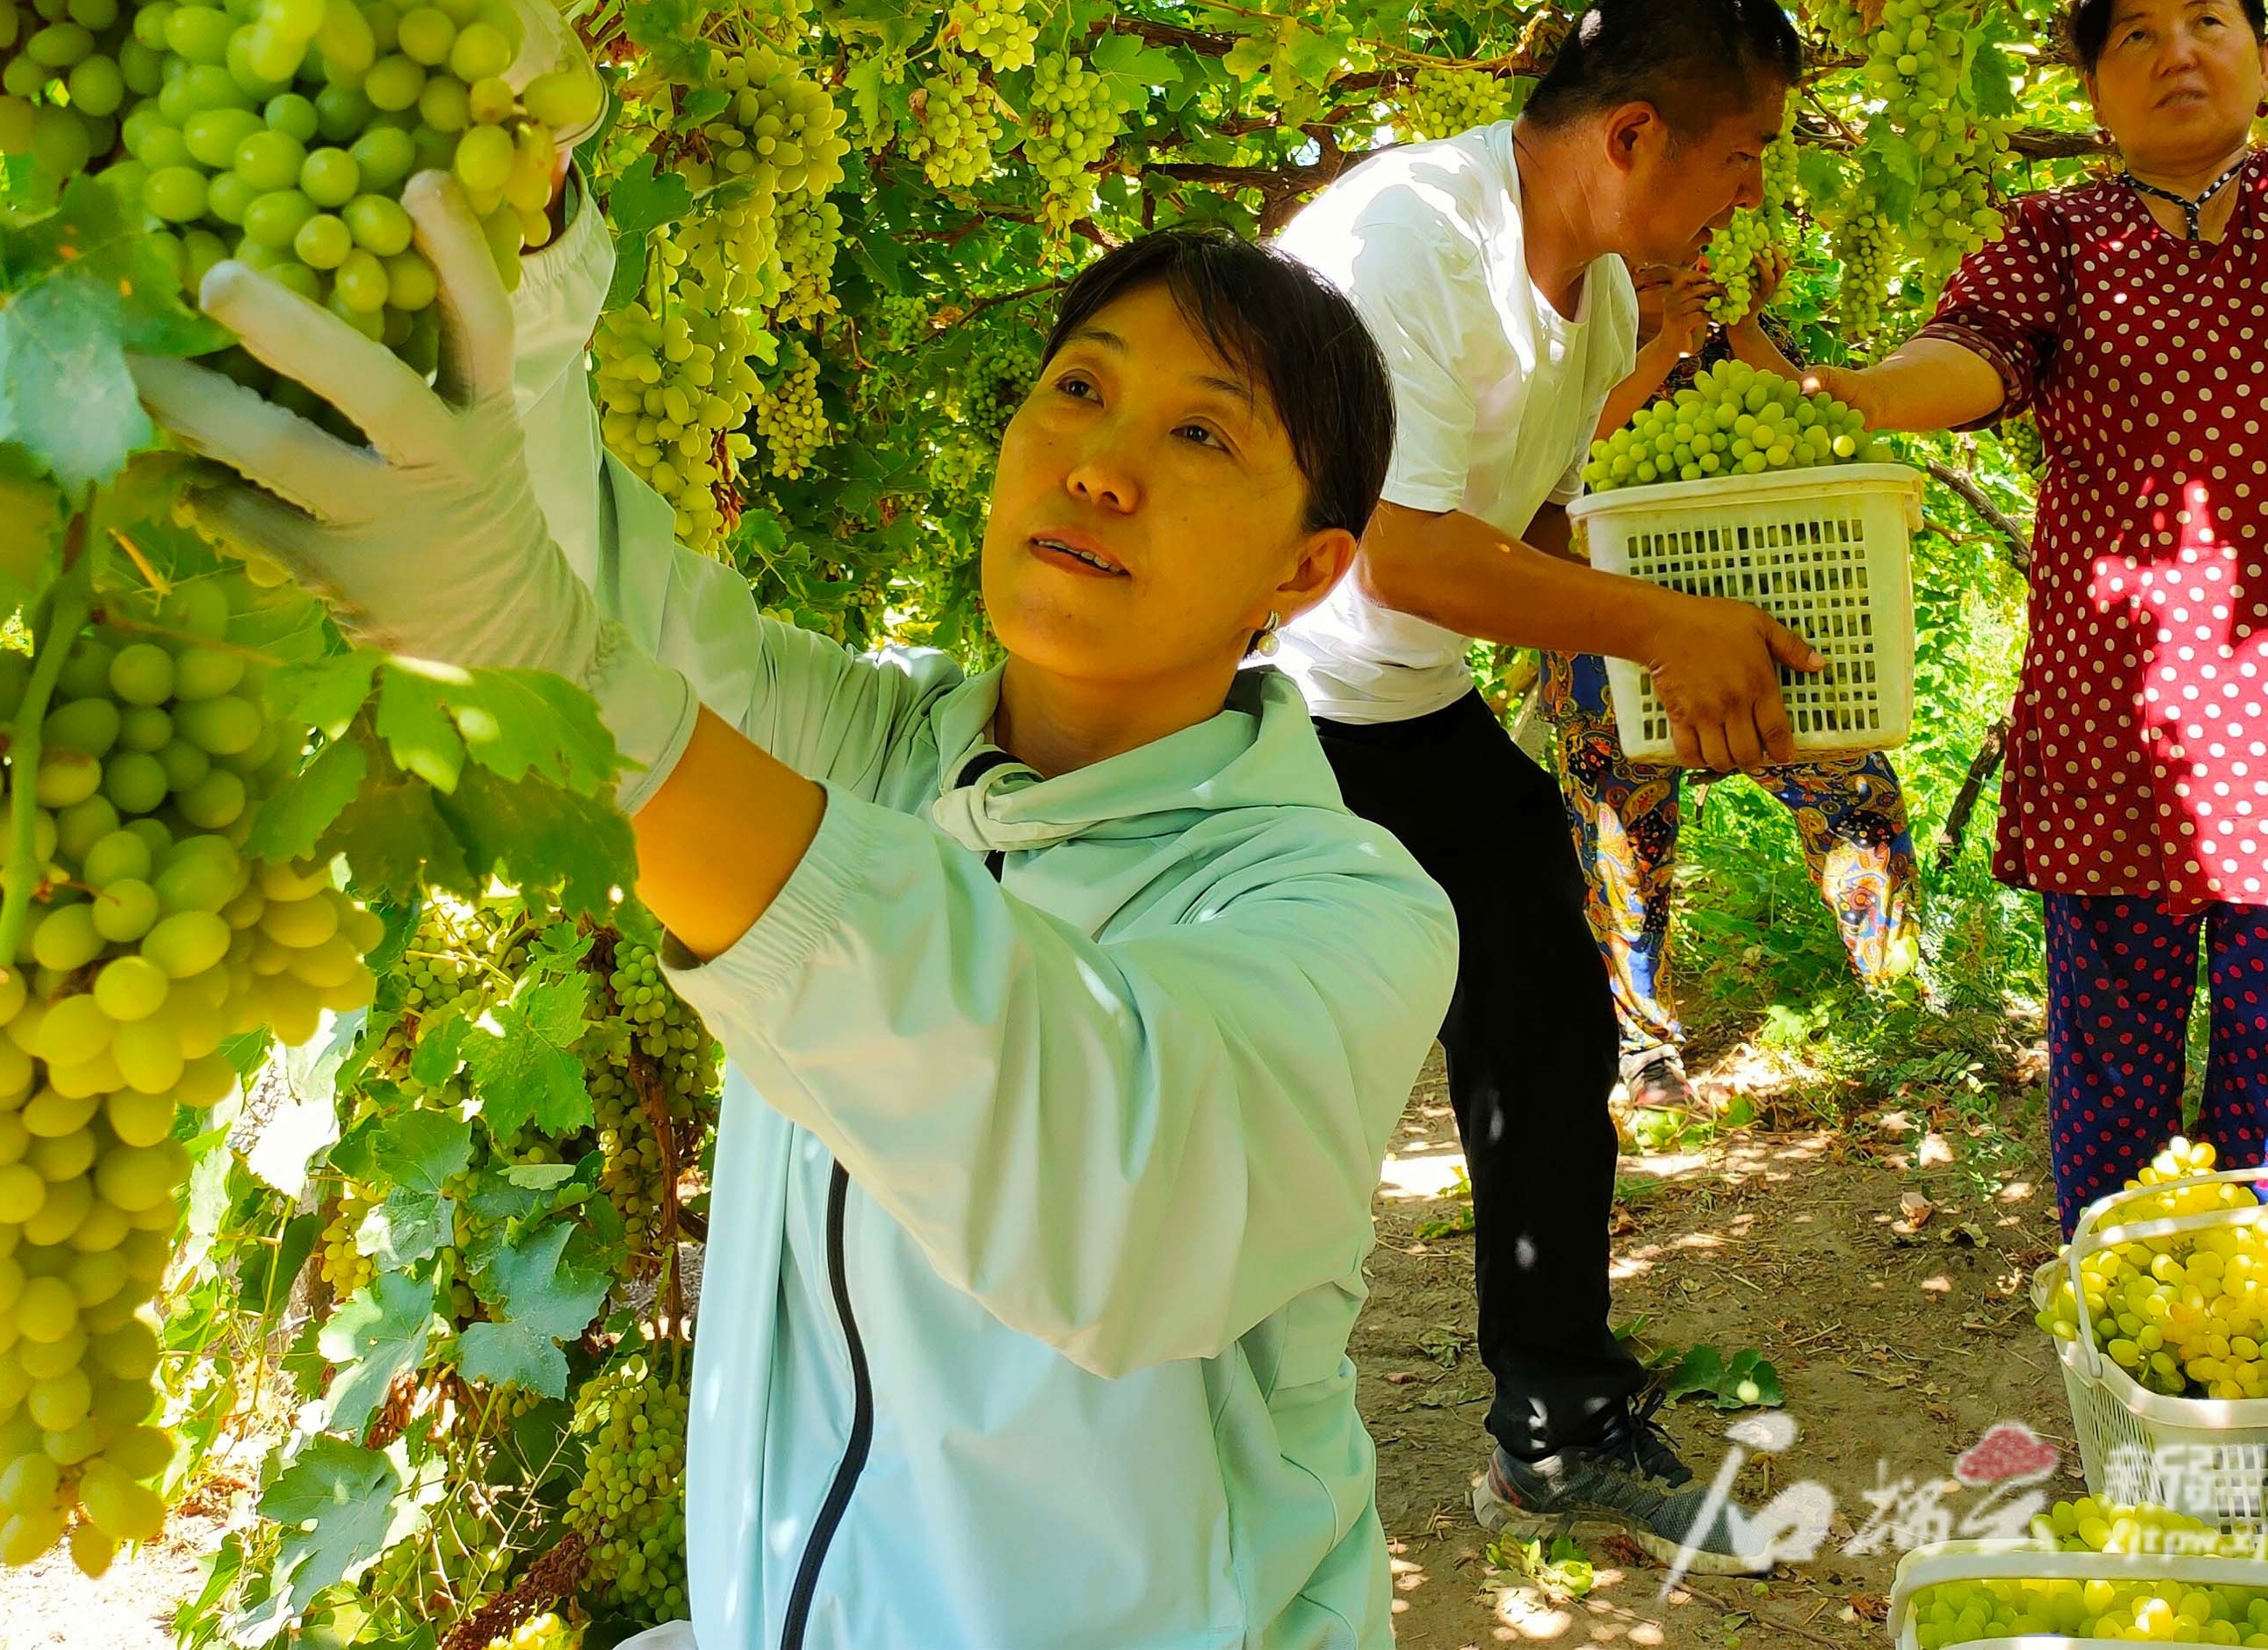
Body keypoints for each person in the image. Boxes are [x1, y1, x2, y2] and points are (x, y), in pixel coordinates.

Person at [136, 203, 1461, 1648]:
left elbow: (1110, 1192)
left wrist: (605, 706)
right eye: (1079, 387)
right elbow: (592, 586)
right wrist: (533, 211)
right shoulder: (877, 748)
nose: (1099, 464)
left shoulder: (1341, 910)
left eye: (1203, 436)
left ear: (1307, 568)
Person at [1807, 0, 2268, 1232]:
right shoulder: (2058, 234)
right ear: (2093, 81)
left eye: (2207, 20)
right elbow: (1975, 357)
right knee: (2110, 1093)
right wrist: (1858, 391)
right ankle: (2122, 1349)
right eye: (2134, 33)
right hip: (2124, 723)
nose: (2177, 50)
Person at [1271, 0, 1813, 1568]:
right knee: (1266, 1071)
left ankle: (1558, 1427)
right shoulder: (1406, 247)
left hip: (1399, 705)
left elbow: (1521, 533)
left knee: (1545, 1021)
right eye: (1745, 155)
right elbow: (1401, 551)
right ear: (1635, 136)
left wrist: (1725, 602)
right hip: (1242, 705)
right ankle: (1155, 1430)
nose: (1751, 192)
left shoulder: (1610, 301)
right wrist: (1662, 628)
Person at [1538, 253, 1921, 1109]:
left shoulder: (1735, 322)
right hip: (1607, 624)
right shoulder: (1566, 333)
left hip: (1759, 607)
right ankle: (1645, 1052)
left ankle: (1904, 1015)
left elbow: (1817, 428)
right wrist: (1656, 344)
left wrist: (1740, 323)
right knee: (1619, 828)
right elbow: (1562, 471)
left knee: (1850, 786)